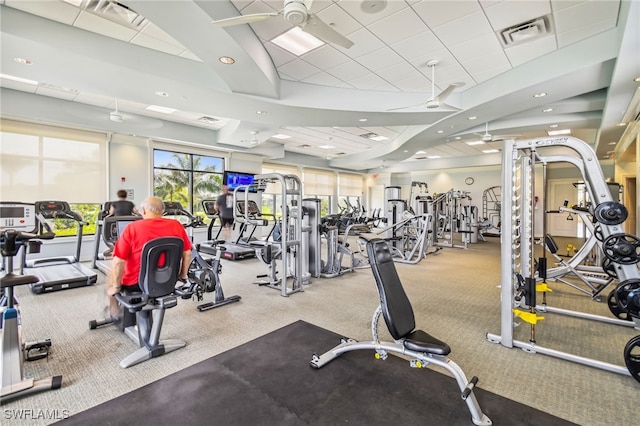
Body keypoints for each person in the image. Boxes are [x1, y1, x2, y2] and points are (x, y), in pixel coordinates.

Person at [106, 196, 192, 317]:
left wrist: (116, 287)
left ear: (144, 211)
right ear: (162, 211)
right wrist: (183, 275)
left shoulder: (132, 228)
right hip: (168, 280)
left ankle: (113, 311)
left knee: (111, 273)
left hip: (135, 283)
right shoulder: (176, 225)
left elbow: (118, 262)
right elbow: (187, 253)